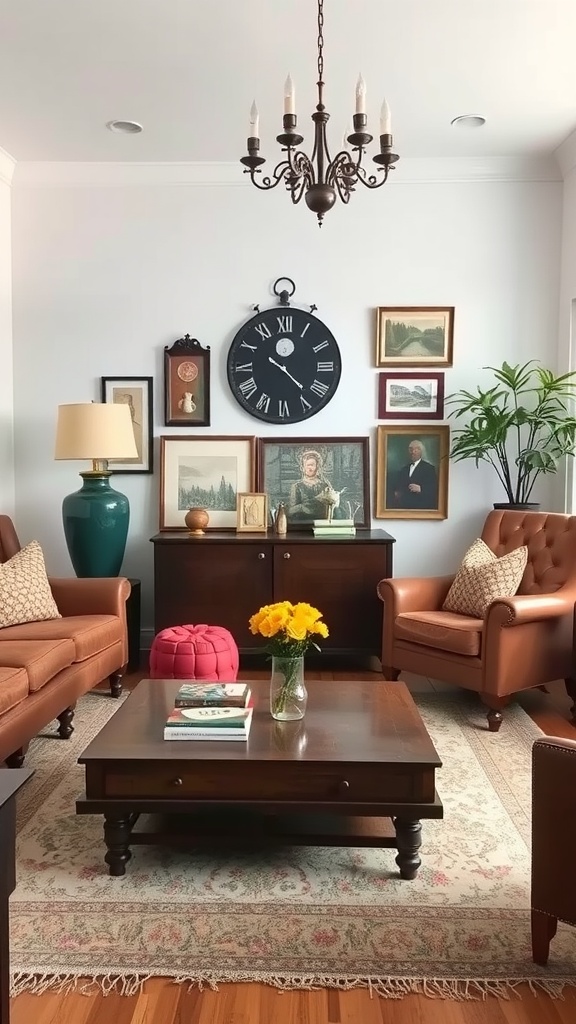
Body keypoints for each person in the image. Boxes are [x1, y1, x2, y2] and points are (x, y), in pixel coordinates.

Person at [287, 449, 342, 522]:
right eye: (307, 465)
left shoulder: (324, 485)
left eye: (312, 465)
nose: (309, 468)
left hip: (322, 523)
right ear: (302, 468)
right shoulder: (297, 486)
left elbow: (333, 506)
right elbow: (290, 511)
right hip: (303, 523)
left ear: (317, 467)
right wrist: (302, 507)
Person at [387, 438, 438, 510]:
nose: (413, 452)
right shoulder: (404, 469)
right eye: (410, 449)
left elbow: (434, 488)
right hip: (404, 506)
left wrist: (421, 489)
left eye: (416, 449)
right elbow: (400, 485)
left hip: (421, 507)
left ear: (421, 451)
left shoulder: (429, 468)